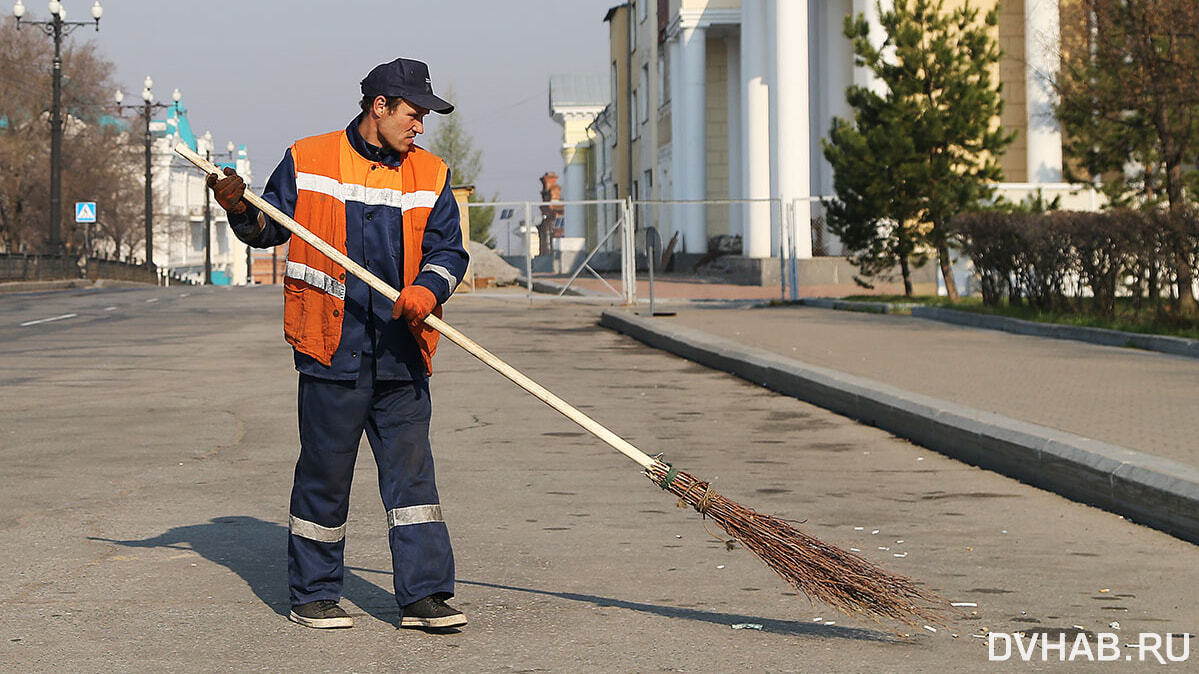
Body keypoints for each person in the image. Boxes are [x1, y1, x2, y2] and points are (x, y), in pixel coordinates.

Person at [206, 57, 469, 630]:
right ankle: (314, 594)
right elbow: (267, 228)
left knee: (413, 481)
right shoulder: (309, 158)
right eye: (414, 113)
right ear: (380, 106)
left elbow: (450, 252)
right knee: (326, 473)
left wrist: (427, 289)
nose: (420, 125)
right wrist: (237, 207)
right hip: (331, 347)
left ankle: (424, 595)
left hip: (402, 353)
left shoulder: (430, 173)